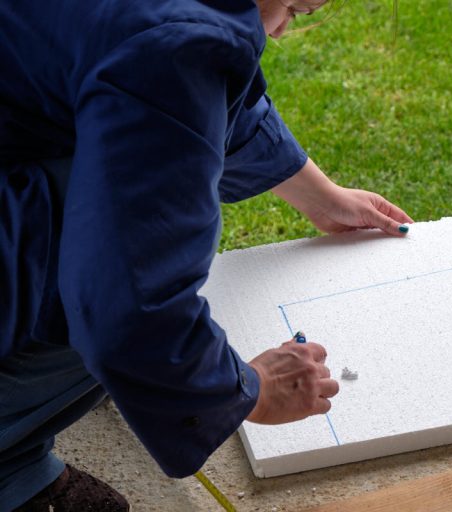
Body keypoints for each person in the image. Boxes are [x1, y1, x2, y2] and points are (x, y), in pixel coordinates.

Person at [0, 0, 413, 510]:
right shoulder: (173, 44)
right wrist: (249, 390)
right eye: (296, 9)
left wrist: (321, 196)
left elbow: (168, 90)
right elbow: (126, 300)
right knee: (106, 245)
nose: (281, 31)